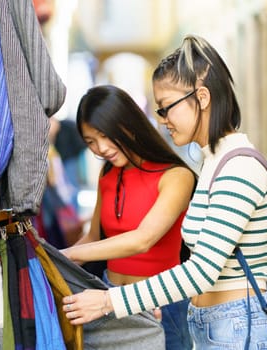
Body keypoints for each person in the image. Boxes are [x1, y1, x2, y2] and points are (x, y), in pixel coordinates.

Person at [62, 35, 267, 349]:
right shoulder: (214, 164)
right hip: (215, 326)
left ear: (202, 98)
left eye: (166, 109)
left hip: (238, 330)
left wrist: (110, 301)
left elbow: (202, 272)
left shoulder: (239, 168)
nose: (162, 121)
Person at [60, 84, 195, 350]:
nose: (100, 148)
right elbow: (92, 236)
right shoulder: (107, 175)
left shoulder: (177, 176)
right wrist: (52, 261)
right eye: (90, 142)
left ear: (127, 125)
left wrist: (72, 255)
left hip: (161, 302)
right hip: (110, 299)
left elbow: (143, 240)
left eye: (104, 136)